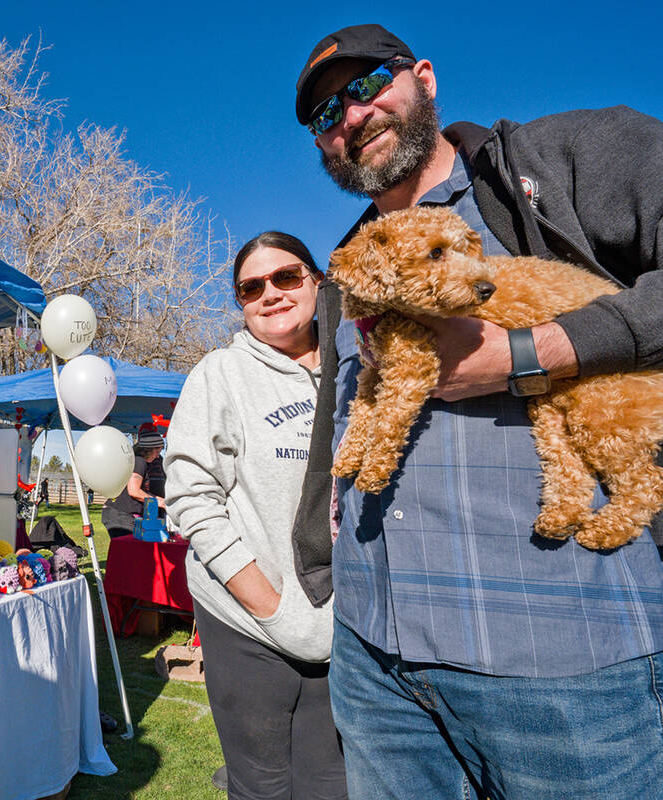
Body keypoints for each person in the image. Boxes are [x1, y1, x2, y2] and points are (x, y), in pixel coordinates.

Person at [289, 24, 663, 798]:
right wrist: (327, 575)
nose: (350, 117)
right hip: (377, 670)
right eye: (326, 115)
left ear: (423, 77)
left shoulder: (559, 161)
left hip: (568, 672)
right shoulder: (352, 271)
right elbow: (352, 420)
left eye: (364, 87)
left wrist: (535, 350)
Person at [165, 233, 344, 800]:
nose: (270, 293)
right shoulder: (220, 373)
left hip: (344, 618)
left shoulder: (359, 369)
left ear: (318, 281)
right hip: (247, 617)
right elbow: (192, 499)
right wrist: (272, 606)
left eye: (287, 277)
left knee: (333, 785)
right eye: (251, 287)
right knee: (263, 786)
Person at [101, 426, 167, 538]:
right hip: (120, 516)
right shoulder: (139, 461)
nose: (157, 456)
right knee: (129, 551)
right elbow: (134, 491)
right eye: (157, 451)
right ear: (148, 449)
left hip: (121, 515)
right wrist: (157, 501)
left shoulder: (138, 461)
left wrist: (160, 499)